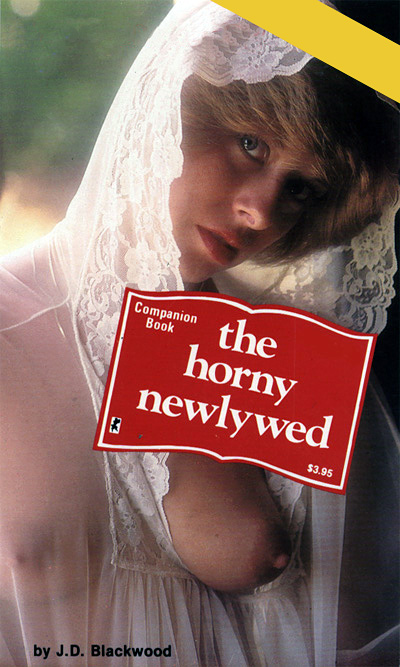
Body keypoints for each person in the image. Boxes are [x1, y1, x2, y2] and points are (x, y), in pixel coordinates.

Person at [0, 1, 398, 665]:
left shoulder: (282, 353)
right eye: (251, 145)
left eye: (301, 188)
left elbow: (350, 619)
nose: (261, 210)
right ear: (169, 100)